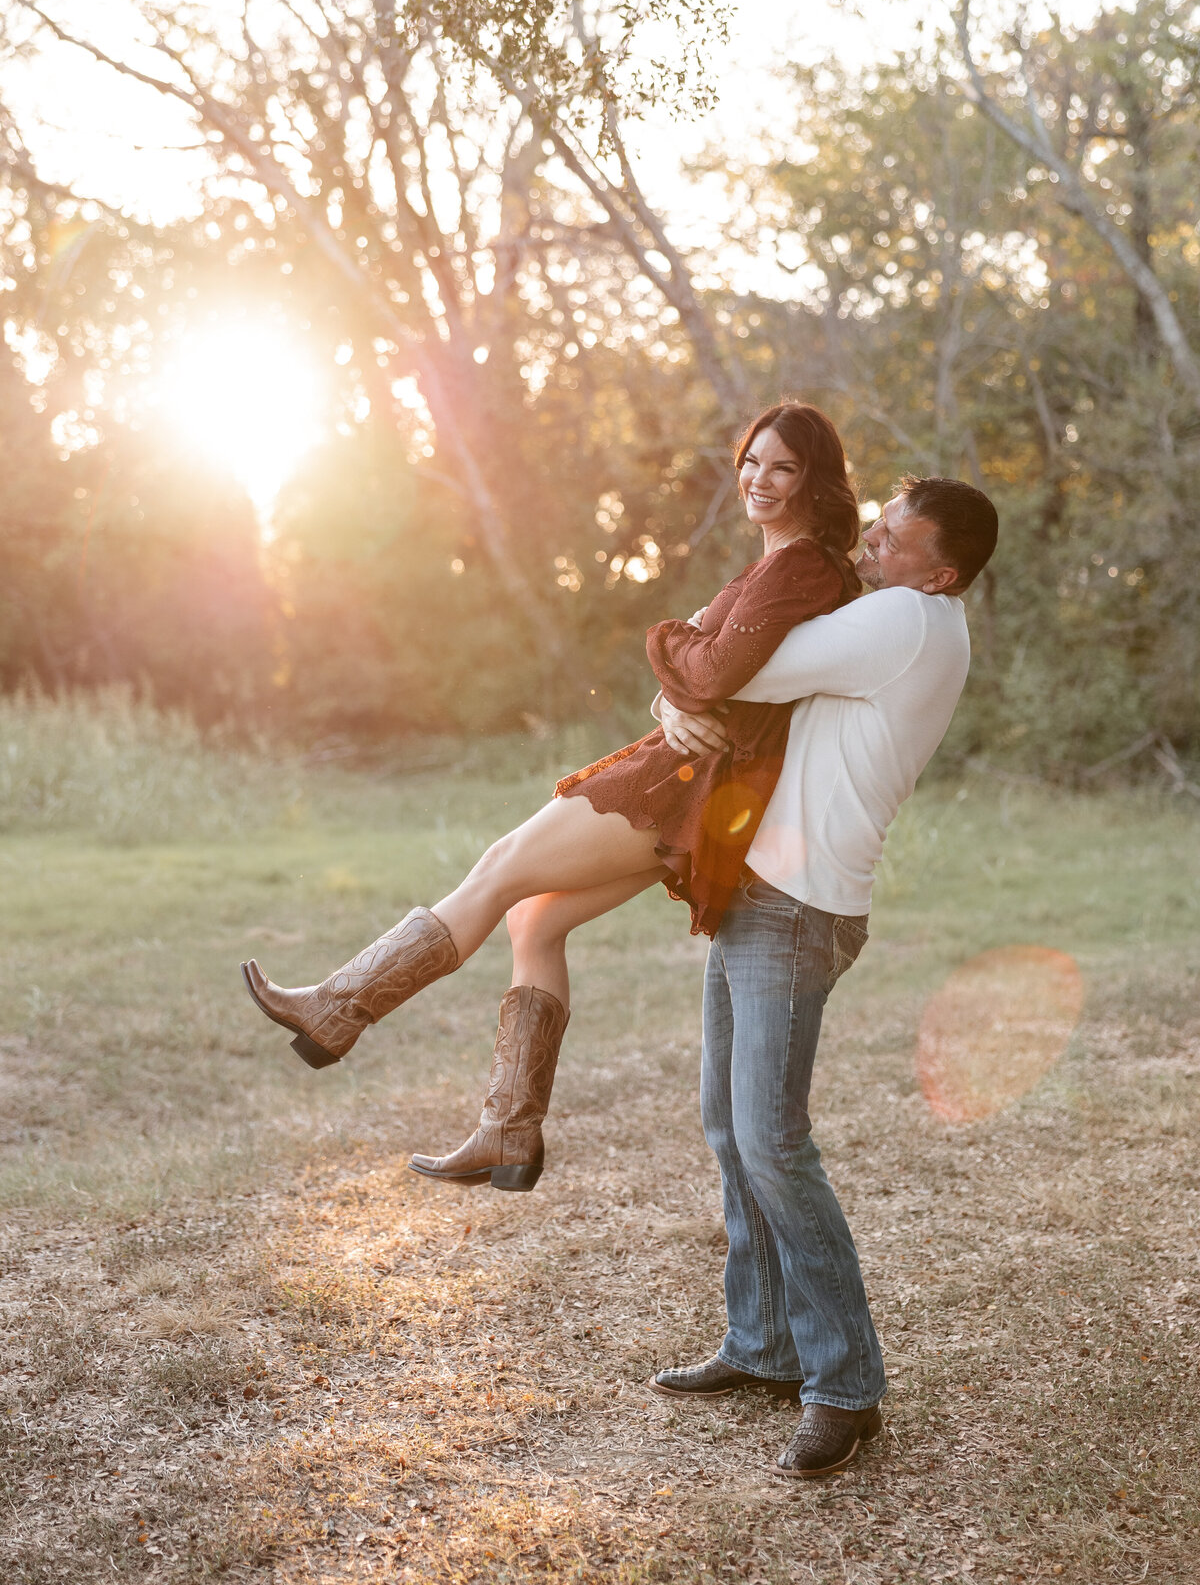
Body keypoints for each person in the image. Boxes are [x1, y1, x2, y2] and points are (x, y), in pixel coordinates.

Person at [241, 403, 862, 1189]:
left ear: (815, 481)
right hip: (692, 774)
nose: (760, 480)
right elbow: (706, 680)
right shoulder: (777, 563)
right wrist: (677, 689)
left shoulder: (801, 567)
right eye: (751, 461)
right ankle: (508, 1130)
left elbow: (708, 671)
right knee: (534, 918)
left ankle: (338, 1006)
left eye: (783, 467)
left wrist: (666, 641)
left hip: (683, 784)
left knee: (501, 869)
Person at [647, 474, 999, 1481]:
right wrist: (685, 686)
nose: (870, 550)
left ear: (942, 573)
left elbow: (732, 669)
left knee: (771, 1139)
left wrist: (672, 652)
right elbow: (723, 674)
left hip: (798, 911)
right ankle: (760, 1345)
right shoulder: (901, 607)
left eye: (893, 544)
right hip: (761, 891)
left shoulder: (906, 619)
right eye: (876, 528)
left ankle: (844, 1383)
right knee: (730, 1125)